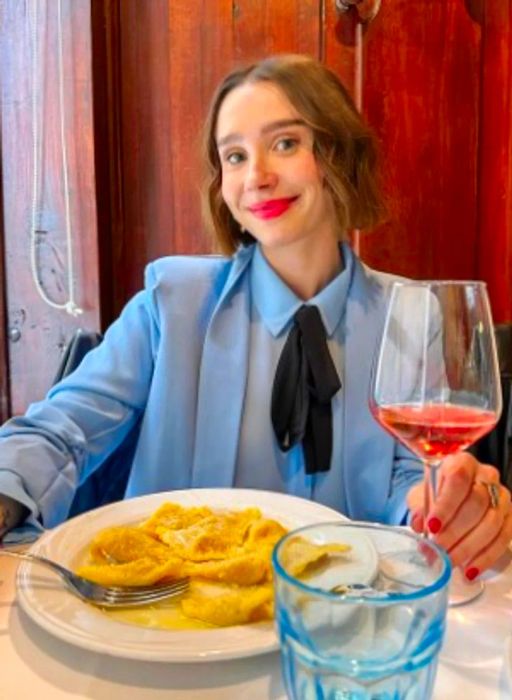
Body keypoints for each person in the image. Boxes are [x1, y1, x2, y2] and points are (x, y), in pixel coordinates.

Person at [0, 54, 510, 581]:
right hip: (170, 623)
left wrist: (452, 509)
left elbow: (410, 490)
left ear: (339, 155)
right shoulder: (170, 302)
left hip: (334, 625)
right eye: (235, 156)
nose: (257, 177)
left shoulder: (409, 316)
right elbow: (62, 431)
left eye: (285, 144)